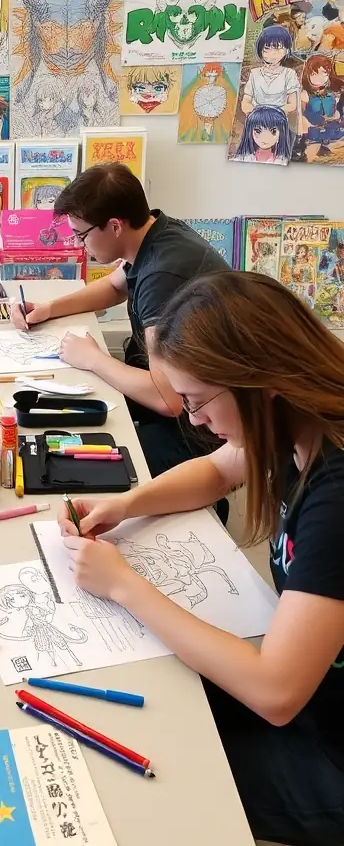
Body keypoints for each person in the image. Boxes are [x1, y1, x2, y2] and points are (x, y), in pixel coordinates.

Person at [59, 269, 344, 846]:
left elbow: (276, 692)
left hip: (327, 745)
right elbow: (218, 471)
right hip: (312, 691)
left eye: (197, 401)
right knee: (146, 702)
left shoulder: (335, 489)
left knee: (143, 773)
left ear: (259, 384)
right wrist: (128, 503)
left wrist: (124, 586)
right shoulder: (295, 423)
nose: (193, 420)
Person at [13, 163, 229, 518]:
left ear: (114, 226)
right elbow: (115, 286)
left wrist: (94, 359)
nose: (79, 246)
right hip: (180, 402)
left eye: (81, 235)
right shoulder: (154, 233)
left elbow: (168, 399)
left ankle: (203, 511)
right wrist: (49, 308)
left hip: (198, 429)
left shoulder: (163, 275)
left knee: (79, 462)